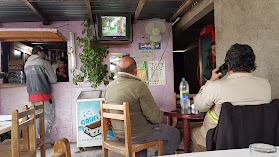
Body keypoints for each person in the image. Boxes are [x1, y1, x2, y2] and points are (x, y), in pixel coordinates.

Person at [191, 43, 271, 152]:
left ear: (228, 65)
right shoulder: (265, 85)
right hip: (254, 139)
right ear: (252, 64)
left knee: (192, 134)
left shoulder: (216, 86)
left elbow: (199, 106)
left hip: (221, 139)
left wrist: (210, 82)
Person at [105, 57, 181, 156]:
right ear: (135, 71)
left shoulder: (109, 87)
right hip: (137, 136)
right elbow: (155, 118)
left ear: (119, 70)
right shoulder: (139, 86)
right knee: (174, 134)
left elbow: (109, 115)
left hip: (119, 135)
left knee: (140, 126)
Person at [24, 45, 57, 140]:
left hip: (31, 96)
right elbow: (53, 80)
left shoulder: (26, 64)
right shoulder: (43, 63)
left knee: (36, 118)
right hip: (44, 95)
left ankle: (36, 141)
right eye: (44, 52)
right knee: (49, 117)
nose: (45, 55)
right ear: (39, 52)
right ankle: (42, 141)